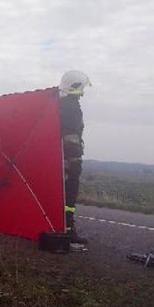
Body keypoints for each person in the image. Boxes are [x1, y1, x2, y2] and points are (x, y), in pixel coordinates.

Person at [58, 70, 91, 249]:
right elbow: (70, 136)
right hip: (70, 158)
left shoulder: (62, 104)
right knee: (69, 194)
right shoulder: (70, 106)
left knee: (66, 193)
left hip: (66, 157)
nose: (83, 92)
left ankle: (65, 226)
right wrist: (73, 159)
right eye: (82, 88)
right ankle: (67, 228)